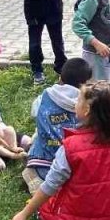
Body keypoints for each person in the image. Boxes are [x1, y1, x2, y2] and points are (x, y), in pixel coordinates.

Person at [9, 81, 110, 220]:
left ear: (86, 111)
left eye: (78, 99)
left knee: (45, 205)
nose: (75, 102)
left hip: (75, 219)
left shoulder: (71, 146)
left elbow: (51, 185)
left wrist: (24, 213)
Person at [22, 57, 93, 193]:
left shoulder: (45, 96)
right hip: (77, 167)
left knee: (37, 135)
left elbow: (34, 113)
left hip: (44, 165)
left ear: (61, 77)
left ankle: (36, 180)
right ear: (85, 83)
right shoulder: (87, 103)